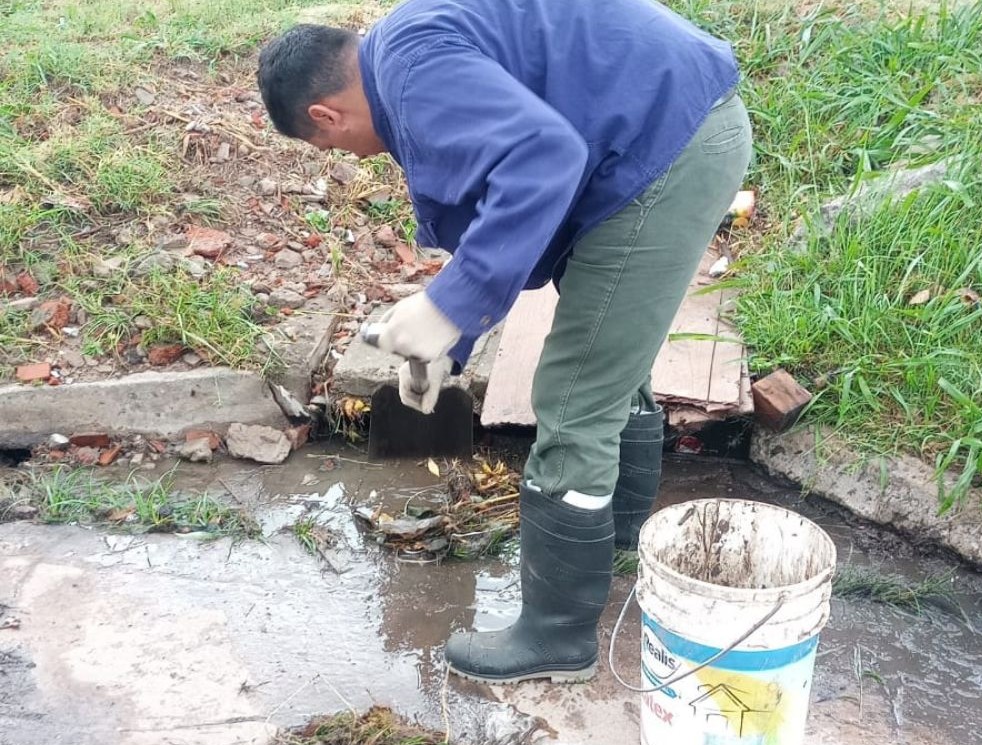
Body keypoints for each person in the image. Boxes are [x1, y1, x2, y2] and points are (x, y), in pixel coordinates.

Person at [257, 0, 752, 685]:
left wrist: (442, 304)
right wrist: (449, 338)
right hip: (656, 132)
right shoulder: (409, 48)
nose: (345, 155)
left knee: (575, 395)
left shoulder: (413, 73)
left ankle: (556, 634)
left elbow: (545, 160)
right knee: (611, 359)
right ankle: (611, 545)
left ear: (324, 117)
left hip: (662, 148)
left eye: (328, 148)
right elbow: (503, 208)